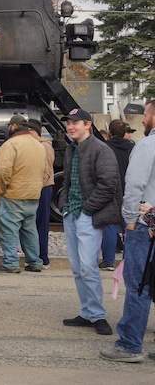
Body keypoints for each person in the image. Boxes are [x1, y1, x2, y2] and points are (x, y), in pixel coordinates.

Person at [57, 108, 121, 336]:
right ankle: (87, 312)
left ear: (88, 125)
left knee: (88, 267)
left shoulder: (100, 149)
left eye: (75, 123)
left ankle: (98, 315)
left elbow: (108, 184)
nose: (70, 126)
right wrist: (65, 205)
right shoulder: (71, 149)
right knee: (77, 268)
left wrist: (87, 208)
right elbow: (67, 180)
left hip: (86, 216)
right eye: (68, 123)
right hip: (71, 215)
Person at [99, 100, 155, 362]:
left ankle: (130, 345)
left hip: (145, 228)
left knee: (138, 285)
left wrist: (130, 220)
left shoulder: (147, 146)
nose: (143, 120)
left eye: (145, 115)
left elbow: (134, 185)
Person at [0, 115, 48, 273]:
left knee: (8, 230)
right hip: (33, 195)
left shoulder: (10, 145)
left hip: (13, 195)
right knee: (30, 231)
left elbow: (3, 172)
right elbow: (45, 170)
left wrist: (2, 191)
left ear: (13, 127)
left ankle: (10, 263)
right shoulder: (38, 145)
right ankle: (34, 261)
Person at [101, 119, 135, 270]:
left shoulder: (105, 147)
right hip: (129, 191)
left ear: (110, 133)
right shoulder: (133, 148)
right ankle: (127, 261)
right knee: (129, 228)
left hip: (111, 192)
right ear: (124, 133)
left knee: (110, 227)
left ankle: (108, 261)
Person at [27, 119, 55, 272]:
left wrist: (39, 184)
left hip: (43, 188)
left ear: (34, 132)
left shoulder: (44, 146)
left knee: (41, 224)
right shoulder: (37, 145)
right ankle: (36, 256)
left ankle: (43, 257)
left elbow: (47, 167)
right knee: (33, 224)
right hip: (37, 187)